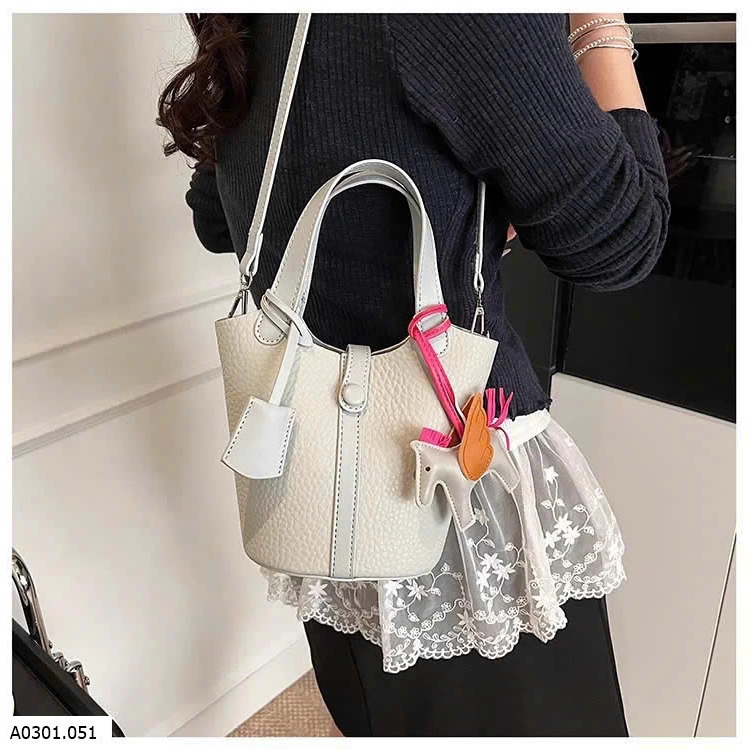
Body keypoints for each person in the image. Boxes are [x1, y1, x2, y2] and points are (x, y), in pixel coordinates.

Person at [158, 13, 669, 737]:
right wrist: (597, 24)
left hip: (314, 489)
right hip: (459, 515)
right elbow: (626, 237)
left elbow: (221, 220)